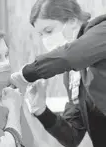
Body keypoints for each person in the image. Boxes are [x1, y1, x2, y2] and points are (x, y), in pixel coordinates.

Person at [10, 0, 106, 146]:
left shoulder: (102, 31)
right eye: (41, 35)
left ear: (73, 20)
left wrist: (25, 75)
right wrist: (41, 110)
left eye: (49, 31)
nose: (46, 40)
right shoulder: (74, 75)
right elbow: (71, 137)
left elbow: (71, 56)